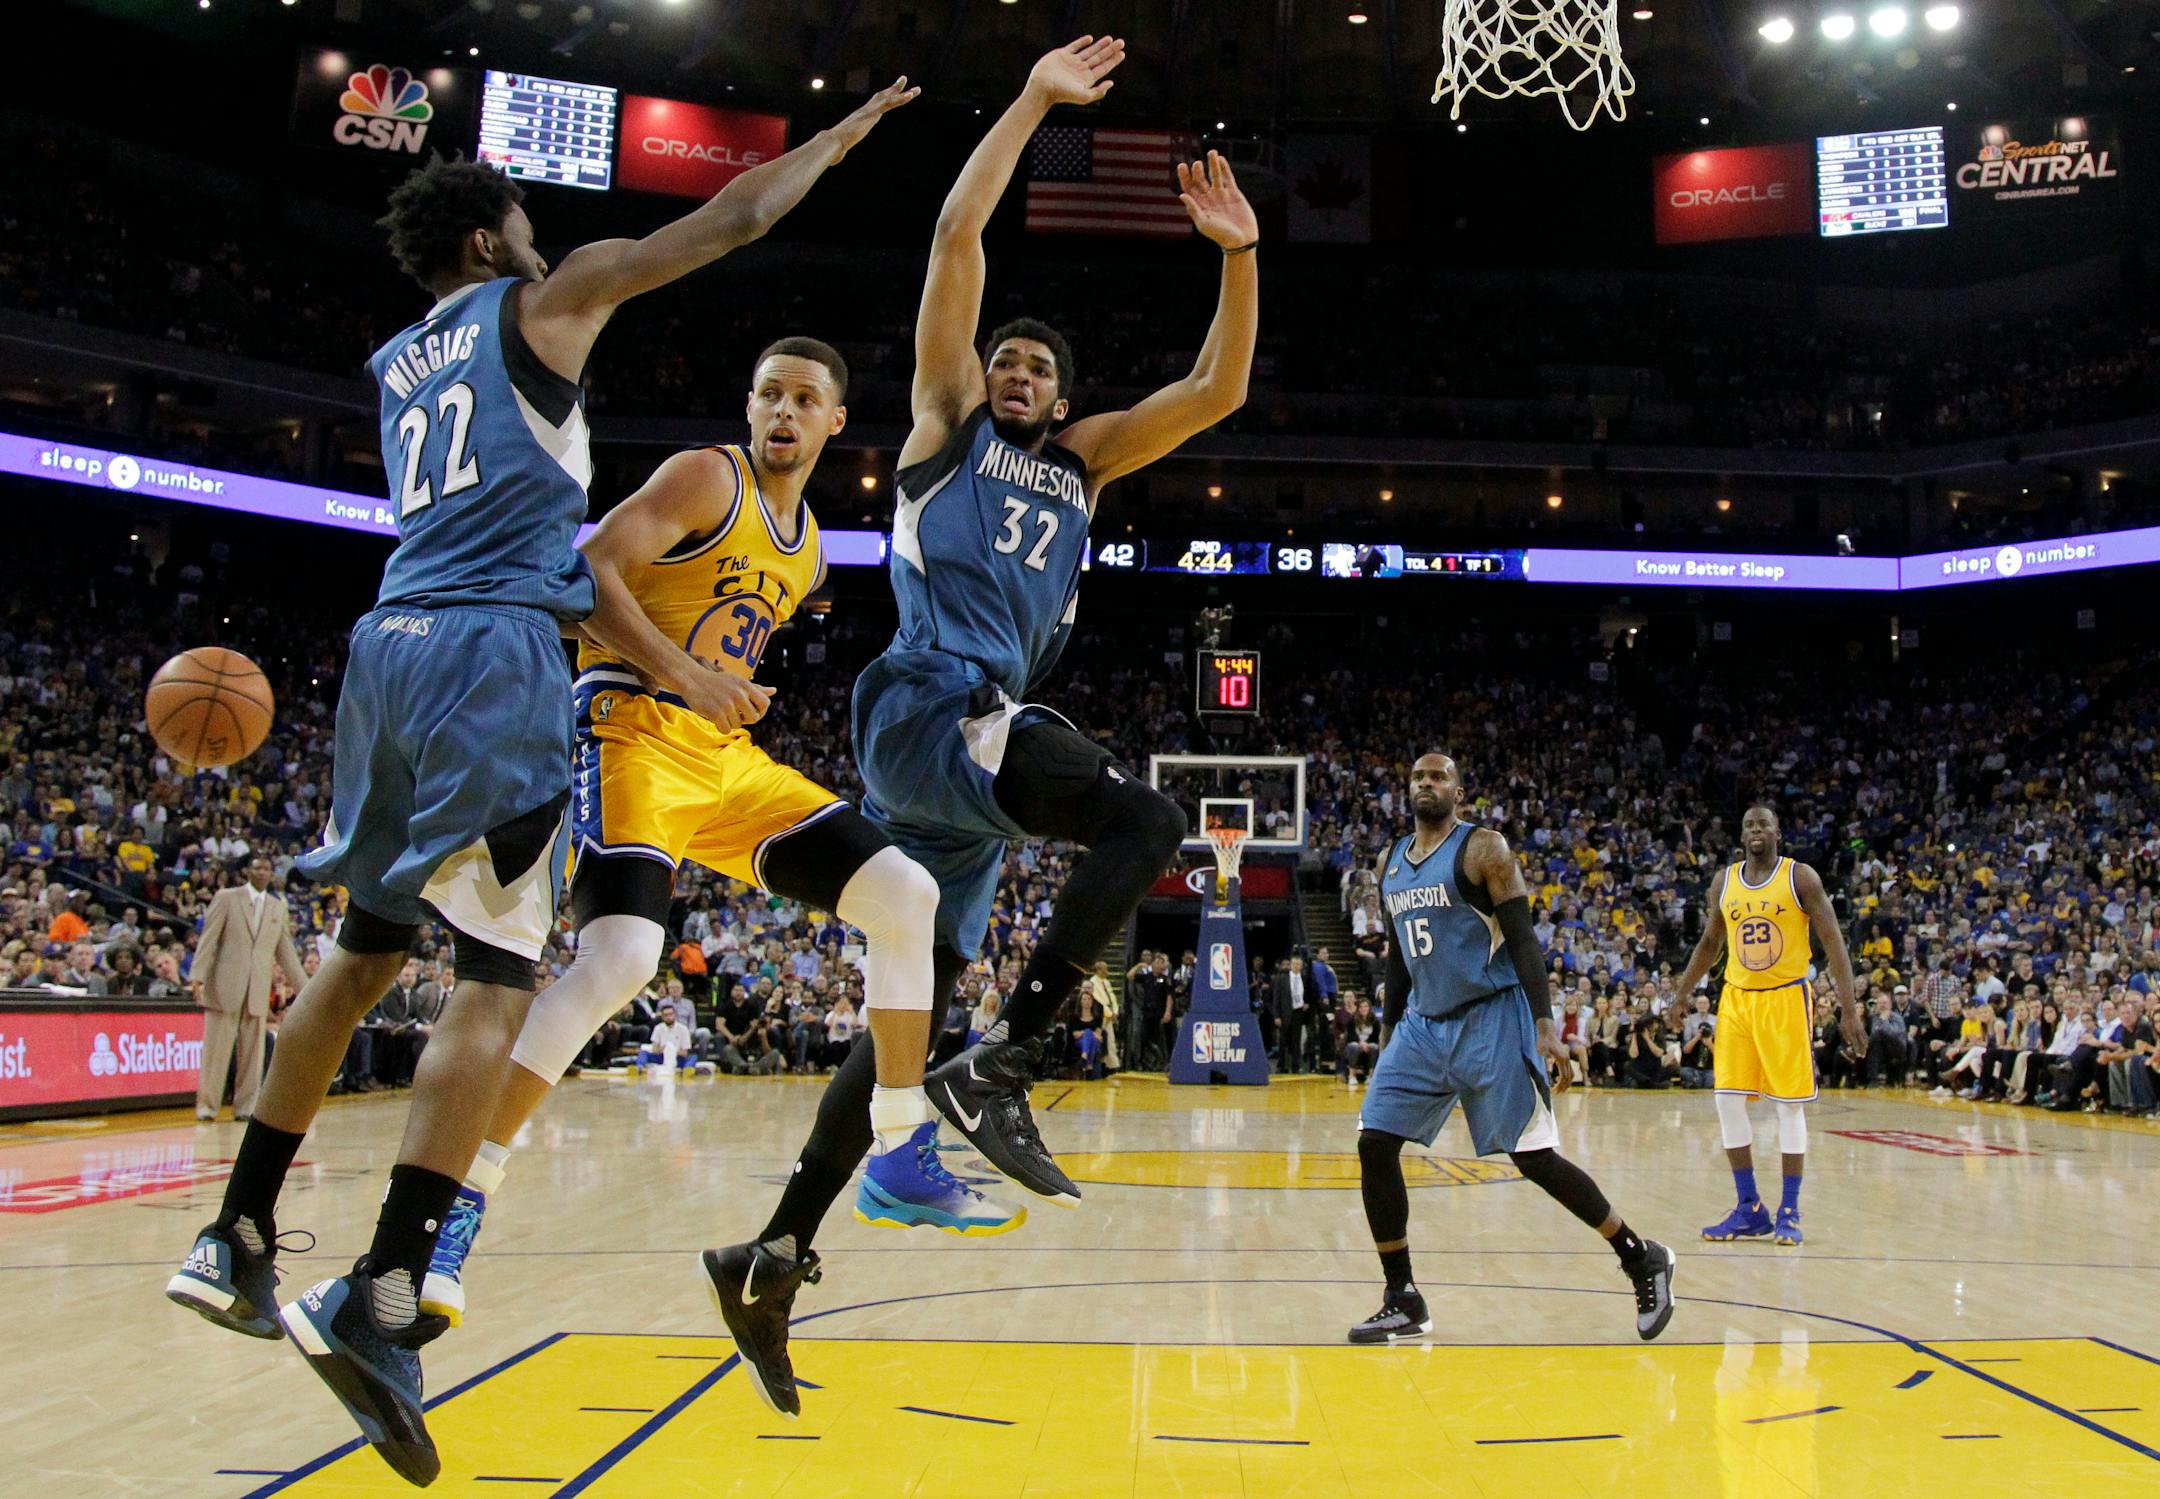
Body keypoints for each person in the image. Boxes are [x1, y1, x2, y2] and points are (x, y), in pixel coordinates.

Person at [162, 92, 915, 1489]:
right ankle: (388, 1287)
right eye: (525, 226)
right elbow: (732, 217)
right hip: (493, 654)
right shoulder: (539, 302)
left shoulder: (399, 356)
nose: (546, 239)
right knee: (499, 979)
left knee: (357, 951)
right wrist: (837, 143)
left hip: (384, 645)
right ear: (486, 239)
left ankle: (239, 1231)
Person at [700, 35, 1260, 1418]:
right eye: (1001, 355)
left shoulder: (1084, 461)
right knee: (1144, 818)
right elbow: (958, 232)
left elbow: (1218, 393)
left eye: (1032, 365)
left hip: (966, 759)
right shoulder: (944, 425)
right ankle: (1011, 1053)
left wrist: (1238, 260)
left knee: (913, 999)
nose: (1010, 368)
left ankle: (775, 1244)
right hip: (930, 697)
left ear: (1060, 397)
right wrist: (1029, 103)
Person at [423, 331, 1038, 1335]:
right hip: (628, 724)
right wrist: (691, 677)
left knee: (906, 895)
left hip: (718, 759)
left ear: (837, 421)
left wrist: (713, 691)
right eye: (769, 395)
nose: (783, 413)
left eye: (804, 399)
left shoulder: (804, 549)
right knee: (621, 955)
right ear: (749, 407)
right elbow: (589, 572)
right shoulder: (708, 476)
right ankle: (461, 1194)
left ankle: (894, 1148)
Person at [1351, 753, 1674, 1345]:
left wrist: (1546, 1023)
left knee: (1533, 1158)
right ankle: (1402, 1297)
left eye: (1439, 776)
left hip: (1492, 1015)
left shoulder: (1484, 850)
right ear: (1407, 789)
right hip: (1424, 1023)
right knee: (1374, 1143)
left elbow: (1523, 937)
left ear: (1458, 790)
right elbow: (1401, 952)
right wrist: (1390, 1026)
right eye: (1419, 776)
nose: (1428, 783)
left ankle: (1640, 1256)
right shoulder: (1389, 861)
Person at [1676, 804, 1864, 1249]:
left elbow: (1834, 943)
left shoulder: (1801, 878)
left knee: (1788, 1107)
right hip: (1737, 999)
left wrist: (1849, 1009)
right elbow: (1710, 942)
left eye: (1763, 824)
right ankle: (1749, 1208)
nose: (1756, 830)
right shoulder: (1724, 881)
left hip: (1785, 999)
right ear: (1741, 835)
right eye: (1748, 825)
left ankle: (1790, 1211)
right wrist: (1682, 992)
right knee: (1726, 1100)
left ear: (1777, 831)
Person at [188, 857, 306, 1122]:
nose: (262, 872)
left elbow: (286, 954)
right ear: (248, 872)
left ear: (272, 874)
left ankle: (246, 1107)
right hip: (224, 986)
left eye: (267, 868)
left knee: (253, 1056)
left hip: (257, 990)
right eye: (257, 868)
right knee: (216, 1052)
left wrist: (306, 990)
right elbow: (209, 939)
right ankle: (207, 1107)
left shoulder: (277, 907)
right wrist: (197, 975)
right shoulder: (227, 897)